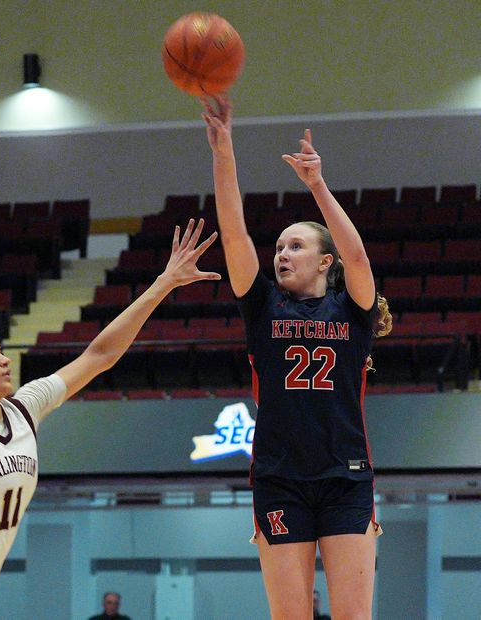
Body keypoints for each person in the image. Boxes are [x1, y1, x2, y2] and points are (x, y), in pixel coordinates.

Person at [0, 219, 220, 619]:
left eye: (1, 350)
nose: (3, 360)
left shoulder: (25, 408)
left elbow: (99, 356)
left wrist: (163, 284)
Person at [202, 95, 392, 619]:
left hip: (346, 475)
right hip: (280, 477)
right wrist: (224, 150)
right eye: (279, 247)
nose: (281, 254)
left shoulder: (352, 310)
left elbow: (358, 256)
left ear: (324, 261)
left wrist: (317, 186)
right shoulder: (263, 306)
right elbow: (235, 233)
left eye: (295, 247)